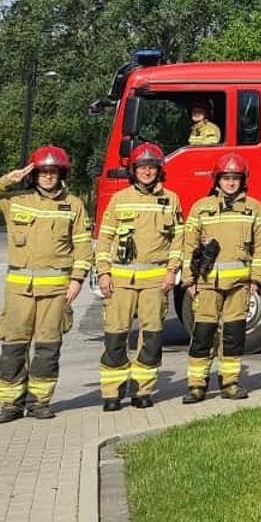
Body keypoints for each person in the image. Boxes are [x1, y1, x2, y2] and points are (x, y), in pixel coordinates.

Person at [0, 146, 90, 424]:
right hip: (19, 291)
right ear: (34, 175)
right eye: (43, 172)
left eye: (53, 172)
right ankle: (10, 404)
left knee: (48, 347)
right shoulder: (15, 200)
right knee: (13, 347)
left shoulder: (73, 205)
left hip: (56, 291)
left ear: (61, 174)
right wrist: (8, 179)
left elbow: (83, 246)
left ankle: (40, 401)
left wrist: (77, 280)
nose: (48, 177)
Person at [94, 142, 183, 411]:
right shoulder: (119, 199)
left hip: (155, 280)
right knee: (115, 335)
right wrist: (103, 273)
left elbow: (179, 239)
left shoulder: (171, 199)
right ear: (134, 170)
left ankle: (143, 390)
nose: (147, 171)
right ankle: (112, 392)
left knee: (152, 336)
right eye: (142, 167)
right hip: (120, 280)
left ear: (159, 170)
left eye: (152, 167)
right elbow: (105, 238)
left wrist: (172, 271)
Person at [180, 153, 261, 403]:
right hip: (207, 285)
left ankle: (230, 382)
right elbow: (188, 246)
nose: (230, 183)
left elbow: (260, 247)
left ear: (242, 180)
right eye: (226, 178)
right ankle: (196, 385)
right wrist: (189, 281)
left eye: (235, 178)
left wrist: (256, 280)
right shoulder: (201, 207)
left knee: (234, 335)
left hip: (239, 286)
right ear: (217, 180)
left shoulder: (253, 209)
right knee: (203, 334)